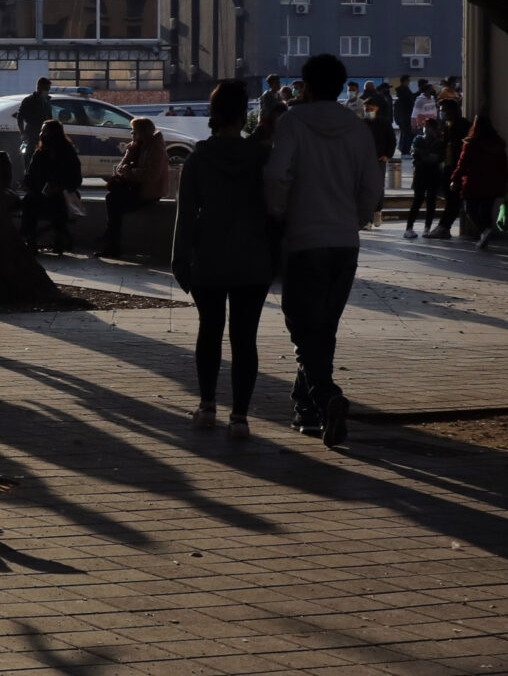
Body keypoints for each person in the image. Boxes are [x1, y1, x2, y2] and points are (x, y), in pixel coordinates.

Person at [264, 52, 382, 446]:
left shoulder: (293, 122)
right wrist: (357, 219)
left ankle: (327, 396)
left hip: (304, 240)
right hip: (344, 243)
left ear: (308, 86)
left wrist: (279, 213)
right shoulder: (357, 128)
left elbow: (278, 173)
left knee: (303, 327)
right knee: (324, 328)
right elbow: (371, 188)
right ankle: (307, 409)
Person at [171, 81, 273, 440]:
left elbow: (186, 214)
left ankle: (207, 405)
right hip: (253, 257)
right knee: (245, 338)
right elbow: (274, 209)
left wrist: (180, 260)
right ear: (244, 114)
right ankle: (241, 416)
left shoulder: (199, 158)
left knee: (209, 331)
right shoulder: (261, 157)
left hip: (209, 256)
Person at [99, 116, 170, 257]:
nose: (132, 134)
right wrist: (130, 152)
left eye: (134, 131)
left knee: (114, 202)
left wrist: (130, 172)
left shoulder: (156, 149)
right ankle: (111, 240)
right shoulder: (136, 146)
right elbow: (120, 168)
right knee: (112, 199)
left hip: (149, 192)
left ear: (143, 132)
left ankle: (112, 242)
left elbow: (152, 175)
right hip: (135, 188)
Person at [19, 118, 82, 254]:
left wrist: (60, 186)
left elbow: (76, 179)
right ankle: (30, 238)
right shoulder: (40, 153)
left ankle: (58, 239)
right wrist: (33, 186)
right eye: (42, 131)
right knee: (29, 201)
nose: (42, 133)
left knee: (57, 202)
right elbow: (30, 175)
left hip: (62, 193)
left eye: (45, 131)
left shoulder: (68, 153)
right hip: (41, 193)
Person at [449, 114, 508, 251]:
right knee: (486, 210)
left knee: (470, 209)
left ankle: (484, 231)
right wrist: (505, 181)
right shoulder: (498, 143)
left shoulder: (471, 144)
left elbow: (463, 164)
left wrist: (455, 179)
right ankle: (485, 233)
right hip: (494, 182)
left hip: (475, 181)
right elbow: (504, 165)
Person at [424, 99, 470, 239]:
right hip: (449, 166)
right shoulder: (447, 126)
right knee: (452, 199)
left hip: (457, 167)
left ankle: (444, 227)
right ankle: (444, 226)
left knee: (454, 199)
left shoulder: (462, 125)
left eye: (444, 110)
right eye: (441, 111)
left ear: (453, 110)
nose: (442, 113)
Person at [403, 116, 446, 237]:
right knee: (418, 200)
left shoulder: (439, 143)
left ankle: (427, 228)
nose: (426, 129)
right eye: (425, 126)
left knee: (431, 201)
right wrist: (427, 155)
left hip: (433, 173)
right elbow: (415, 153)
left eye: (429, 127)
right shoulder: (418, 139)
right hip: (421, 172)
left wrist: (424, 154)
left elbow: (438, 157)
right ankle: (409, 228)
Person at [14, 76, 54, 155]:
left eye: (48, 89)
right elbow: (20, 117)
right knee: (30, 159)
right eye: (46, 89)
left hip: (45, 137)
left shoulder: (47, 101)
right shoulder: (29, 100)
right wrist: (22, 133)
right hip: (32, 136)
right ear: (39, 87)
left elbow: (50, 119)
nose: (47, 91)